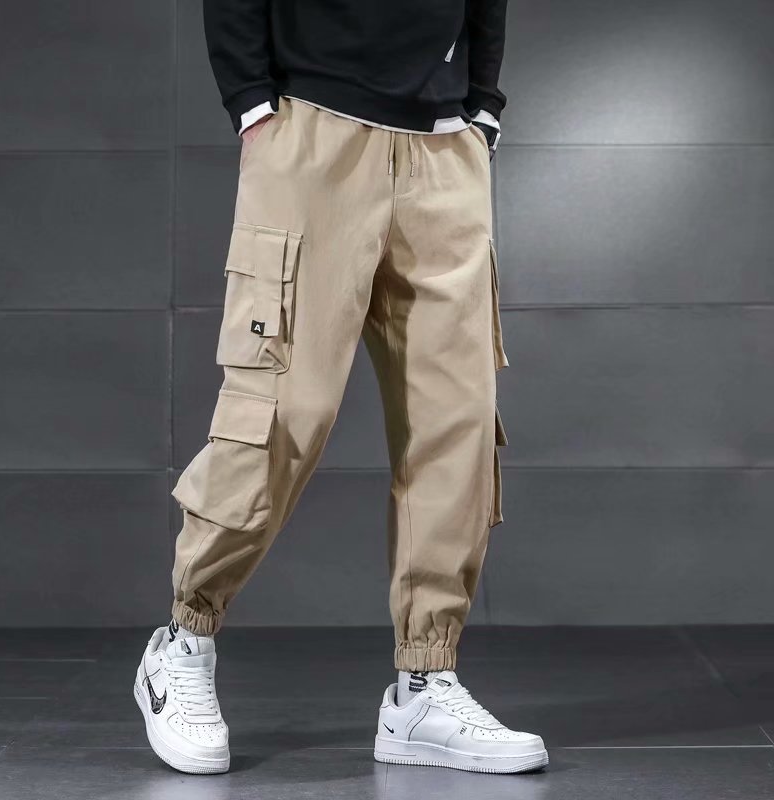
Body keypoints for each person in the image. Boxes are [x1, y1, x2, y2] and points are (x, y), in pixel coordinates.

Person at [133, 0, 548, 776]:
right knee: (283, 410)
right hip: (314, 133)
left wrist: (483, 106)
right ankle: (184, 639)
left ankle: (425, 683)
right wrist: (251, 100)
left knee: (456, 424)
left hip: (445, 150)